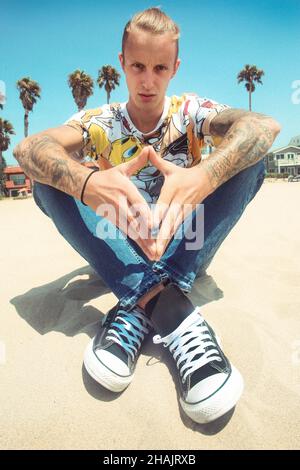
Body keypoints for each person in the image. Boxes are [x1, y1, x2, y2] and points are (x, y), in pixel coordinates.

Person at [13, 7, 280, 425]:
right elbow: (28, 149)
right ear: (122, 64)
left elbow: (263, 126)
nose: (148, 80)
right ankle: (167, 305)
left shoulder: (192, 112)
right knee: (47, 175)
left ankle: (139, 301)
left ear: (175, 68)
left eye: (159, 67)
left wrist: (204, 176)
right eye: (137, 65)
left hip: (184, 242)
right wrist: (88, 184)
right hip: (121, 242)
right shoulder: (98, 123)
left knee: (250, 158)